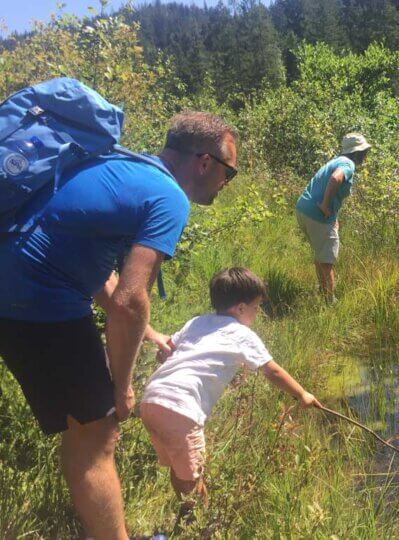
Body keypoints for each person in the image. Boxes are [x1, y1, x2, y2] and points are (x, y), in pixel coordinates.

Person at [0, 111, 239, 540]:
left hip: (14, 296)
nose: (226, 183)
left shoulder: (119, 165)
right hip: (38, 305)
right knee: (99, 435)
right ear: (205, 162)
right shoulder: (169, 196)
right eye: (229, 172)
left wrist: (147, 334)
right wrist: (123, 387)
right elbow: (131, 299)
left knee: (84, 428)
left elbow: (88, 268)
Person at [140, 267, 321, 514]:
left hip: (152, 399)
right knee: (194, 478)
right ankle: (201, 528)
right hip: (181, 407)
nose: (257, 314)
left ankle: (186, 516)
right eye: (256, 308)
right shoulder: (242, 334)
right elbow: (273, 371)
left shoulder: (198, 322)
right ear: (240, 308)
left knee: (179, 467)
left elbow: (167, 349)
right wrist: (302, 394)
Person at [295, 133, 370, 303]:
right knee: (327, 260)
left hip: (303, 210)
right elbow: (335, 179)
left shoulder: (336, 160)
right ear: (356, 152)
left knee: (320, 255)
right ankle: (330, 302)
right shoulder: (348, 164)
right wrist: (325, 205)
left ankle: (323, 293)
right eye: (364, 151)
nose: (366, 155)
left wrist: (332, 215)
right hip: (317, 213)